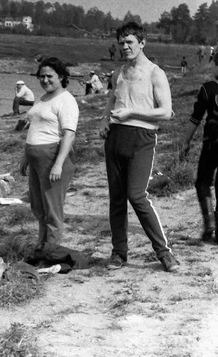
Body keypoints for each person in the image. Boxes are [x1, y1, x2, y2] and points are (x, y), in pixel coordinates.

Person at [98, 22, 179, 272]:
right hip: (116, 137)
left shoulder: (156, 73)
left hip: (142, 138)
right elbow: (113, 98)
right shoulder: (118, 73)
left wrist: (132, 111)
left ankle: (164, 253)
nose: (125, 47)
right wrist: (104, 119)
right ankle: (118, 253)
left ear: (142, 43)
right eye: (121, 43)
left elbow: (166, 112)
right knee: (117, 199)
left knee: (137, 195)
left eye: (130, 42)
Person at [19, 57, 78, 246]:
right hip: (35, 158)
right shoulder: (42, 98)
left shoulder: (66, 100)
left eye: (49, 76)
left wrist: (58, 165)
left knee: (52, 209)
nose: (45, 80)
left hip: (52, 158)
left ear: (60, 76)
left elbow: (69, 135)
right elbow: (34, 129)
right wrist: (25, 158)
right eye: (41, 76)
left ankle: (52, 251)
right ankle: (41, 246)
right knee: (38, 207)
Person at [181, 67, 218, 243]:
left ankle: (210, 221)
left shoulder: (208, 88)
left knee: (203, 181)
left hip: (212, 143)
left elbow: (196, 118)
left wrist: (186, 142)